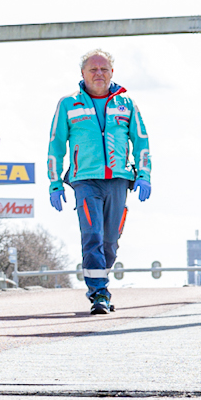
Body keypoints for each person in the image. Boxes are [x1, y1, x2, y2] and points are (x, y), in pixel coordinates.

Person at [46, 47, 151, 314]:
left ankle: (101, 282)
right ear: (82, 73)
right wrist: (55, 182)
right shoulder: (68, 105)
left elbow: (141, 141)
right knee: (92, 236)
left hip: (118, 180)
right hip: (85, 181)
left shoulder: (126, 104)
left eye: (104, 69)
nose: (99, 74)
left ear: (112, 72)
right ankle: (99, 294)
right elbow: (55, 146)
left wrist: (144, 174)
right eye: (93, 69)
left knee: (110, 242)